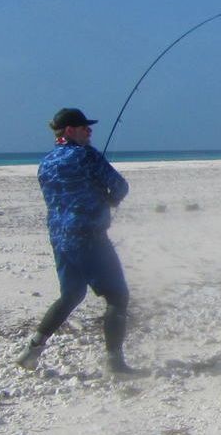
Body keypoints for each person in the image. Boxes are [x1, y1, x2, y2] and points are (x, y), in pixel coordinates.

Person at [16, 108, 134, 374]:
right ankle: (115, 362)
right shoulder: (85, 155)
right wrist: (110, 199)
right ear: (69, 130)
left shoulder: (45, 162)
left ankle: (31, 350)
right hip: (89, 236)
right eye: (84, 128)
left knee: (71, 295)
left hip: (60, 238)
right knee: (117, 296)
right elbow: (120, 187)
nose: (89, 131)